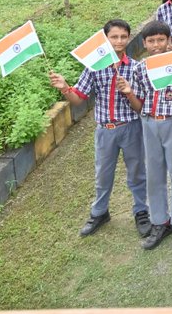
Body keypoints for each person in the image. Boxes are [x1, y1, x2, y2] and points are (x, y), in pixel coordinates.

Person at [49, 18, 149, 239]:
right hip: (105, 130)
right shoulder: (94, 67)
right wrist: (65, 88)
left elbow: (140, 107)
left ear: (129, 38)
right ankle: (100, 212)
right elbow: (78, 99)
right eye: (114, 37)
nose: (119, 41)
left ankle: (141, 211)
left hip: (131, 127)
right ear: (105, 39)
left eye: (123, 37)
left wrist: (129, 92)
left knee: (137, 172)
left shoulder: (136, 68)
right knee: (103, 174)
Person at [130, 21, 172, 251]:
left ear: (169, 41)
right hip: (149, 123)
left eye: (161, 40)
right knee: (154, 175)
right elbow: (138, 105)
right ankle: (160, 221)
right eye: (151, 41)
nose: (156, 45)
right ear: (144, 44)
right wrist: (128, 93)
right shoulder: (139, 69)